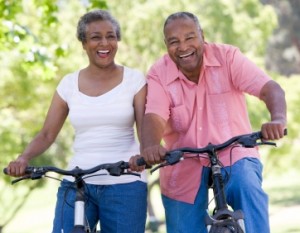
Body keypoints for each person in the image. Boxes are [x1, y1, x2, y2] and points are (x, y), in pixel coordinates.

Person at [140, 11, 287, 233]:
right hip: (183, 159)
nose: (183, 46)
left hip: (234, 152)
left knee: (246, 185)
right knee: (182, 223)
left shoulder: (227, 57)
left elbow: (269, 89)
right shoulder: (159, 73)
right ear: (166, 44)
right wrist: (150, 146)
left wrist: (277, 119)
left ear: (202, 36)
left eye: (190, 37)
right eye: (174, 41)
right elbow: (154, 116)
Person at [6, 9, 147, 233]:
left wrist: (144, 154)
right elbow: (47, 134)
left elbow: (145, 130)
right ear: (83, 43)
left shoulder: (134, 80)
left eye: (111, 36)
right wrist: (23, 158)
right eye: (95, 37)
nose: (105, 43)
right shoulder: (68, 84)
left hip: (125, 182)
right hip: (78, 180)